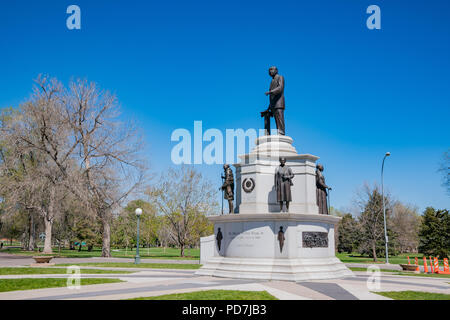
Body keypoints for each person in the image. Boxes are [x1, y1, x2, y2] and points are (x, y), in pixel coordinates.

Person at [261, 66, 286, 135]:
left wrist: (270, 92)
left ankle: (281, 132)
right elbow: (272, 97)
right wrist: (268, 108)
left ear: (276, 70)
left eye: (272, 70)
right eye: (269, 70)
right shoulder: (272, 81)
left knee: (280, 119)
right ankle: (278, 132)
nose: (270, 71)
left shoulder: (280, 77)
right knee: (276, 120)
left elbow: (280, 88)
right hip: (273, 105)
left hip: (279, 103)